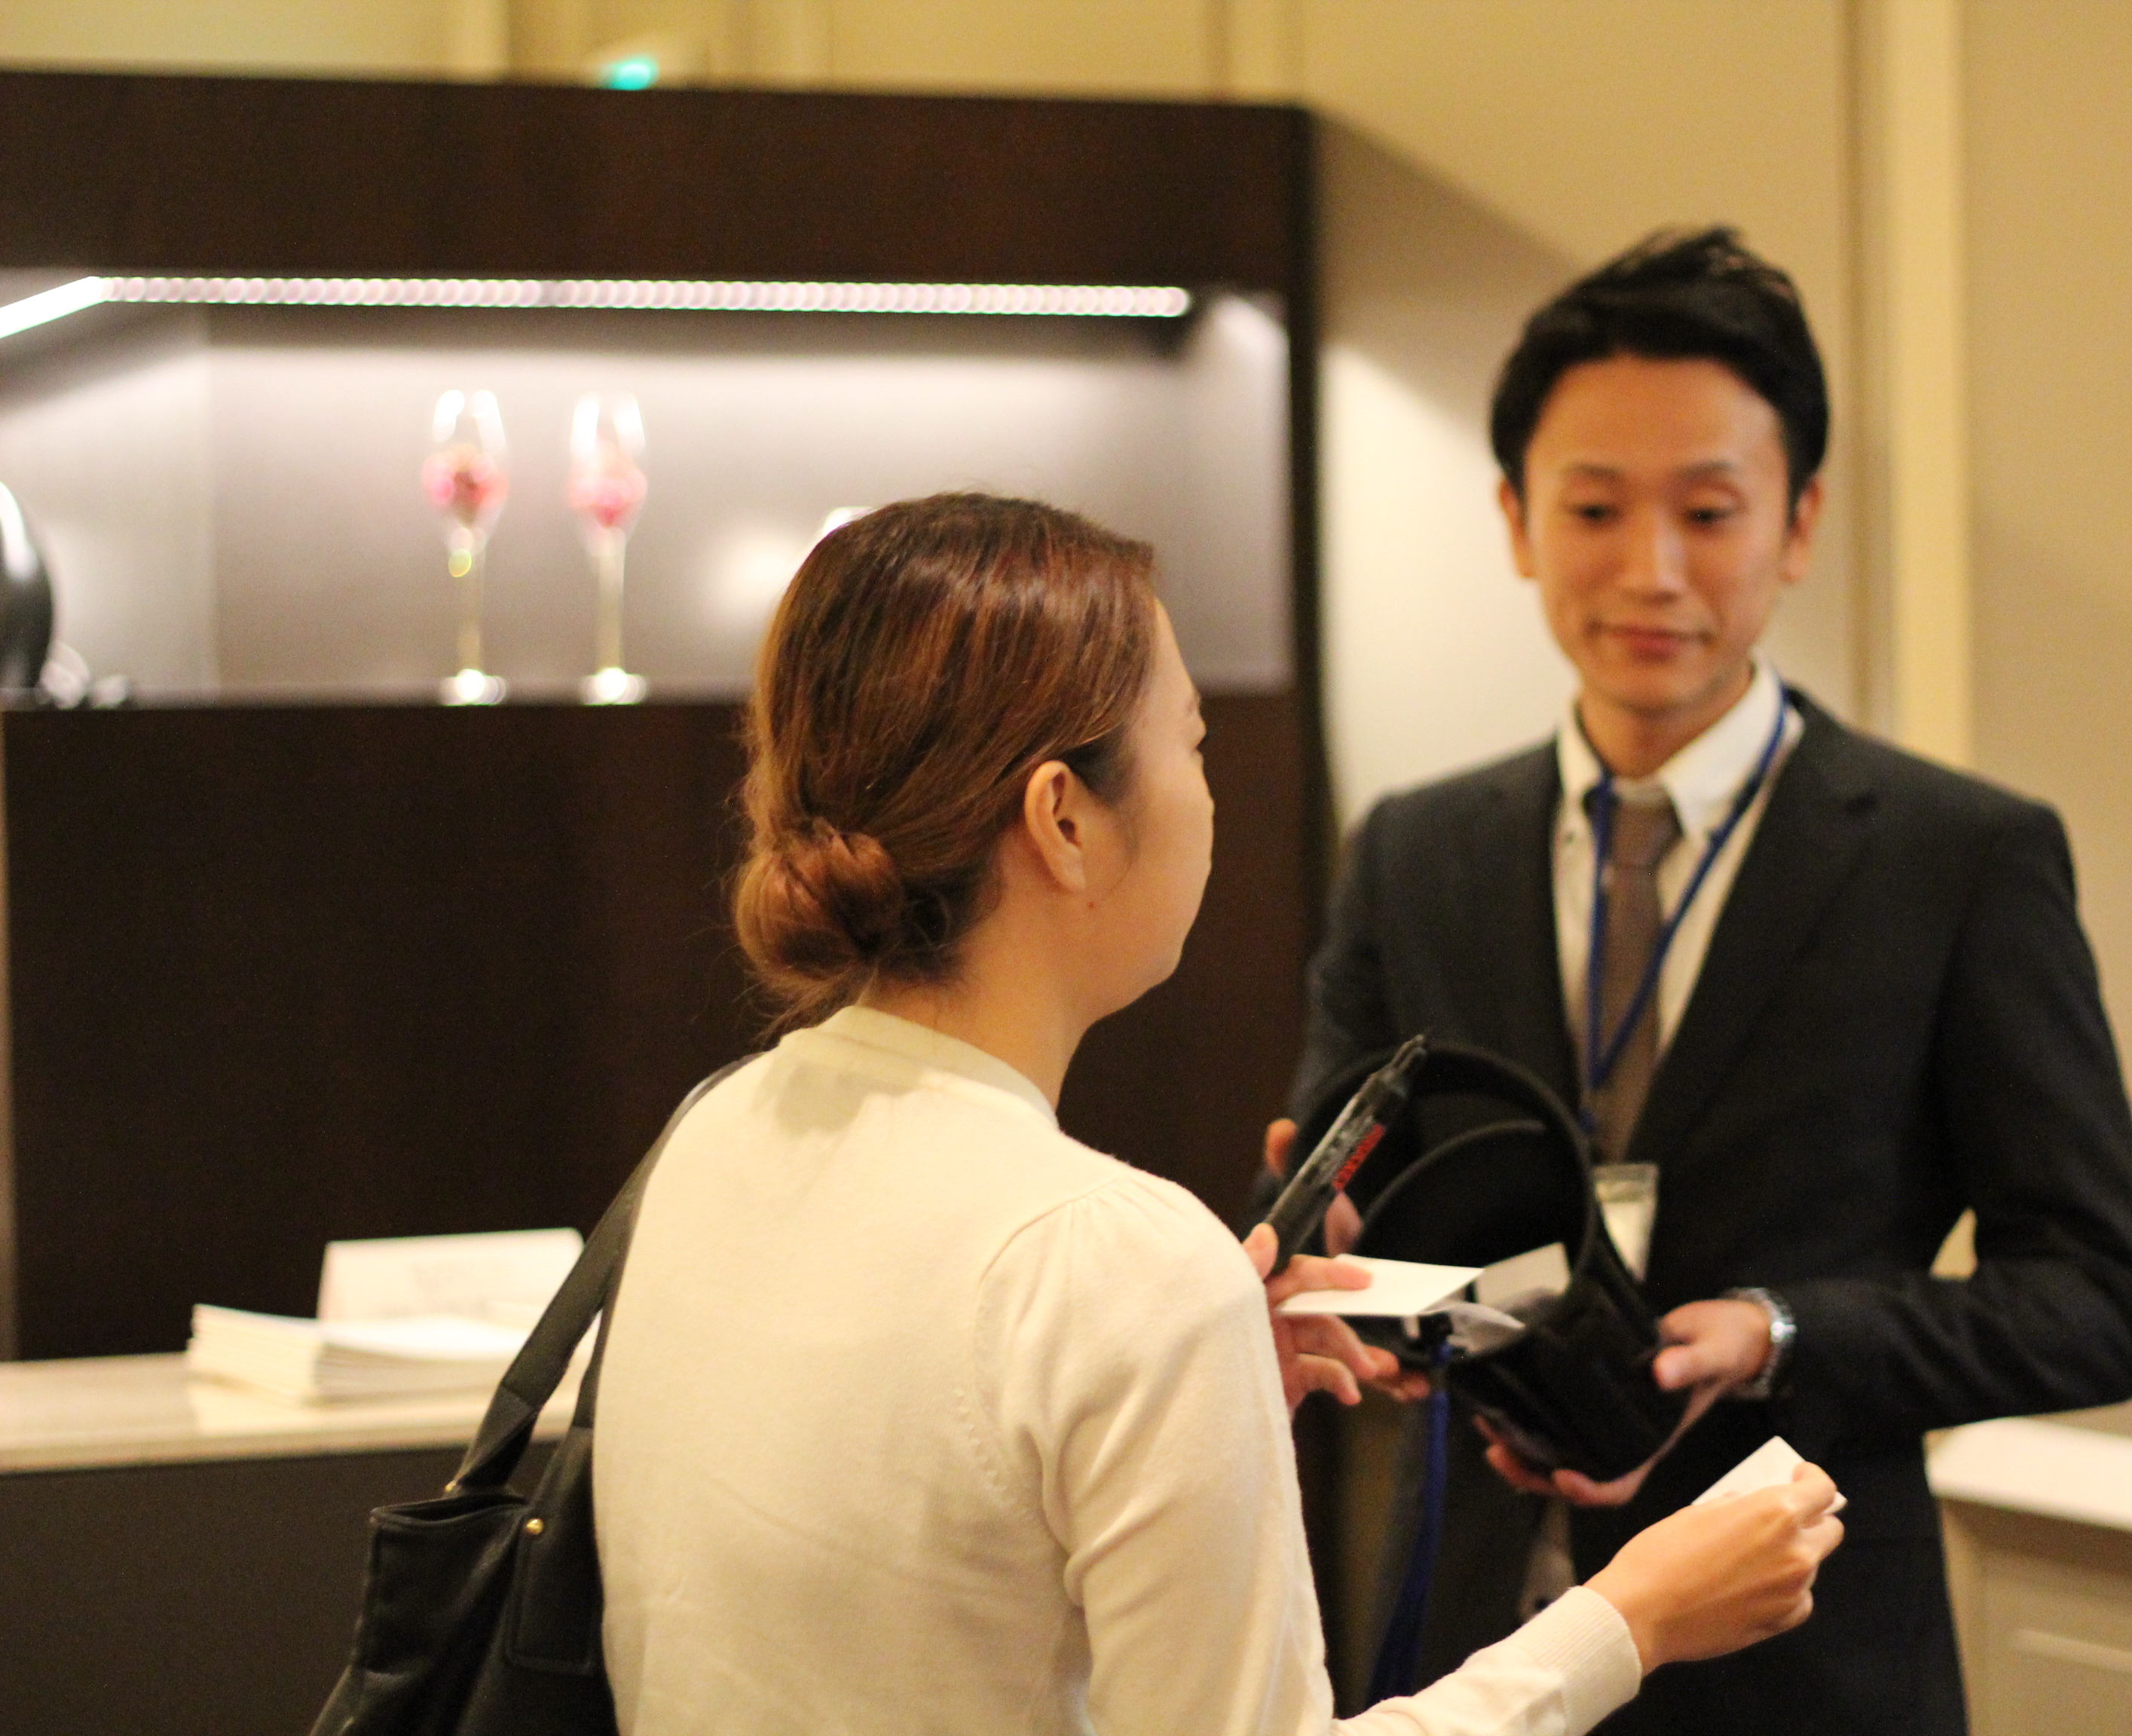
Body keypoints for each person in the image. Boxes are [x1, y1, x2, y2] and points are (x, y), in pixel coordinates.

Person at [591, 491, 1845, 1735]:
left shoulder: (716, 1136)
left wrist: (1180, 1411)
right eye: (1190, 743)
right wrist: (1632, 1620)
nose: (1207, 793)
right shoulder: (1119, 1265)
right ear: (1065, 820)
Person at [1273, 231, 2132, 1734]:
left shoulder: (1959, 858)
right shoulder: (1415, 847)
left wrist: (1783, 1330)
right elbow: (1341, 1166)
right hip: (1472, 1645)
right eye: (1595, 509)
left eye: (1708, 511)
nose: (1652, 570)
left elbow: (2097, 1301)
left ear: (1798, 523)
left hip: (1805, 1664)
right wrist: (1334, 1255)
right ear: (1515, 520)